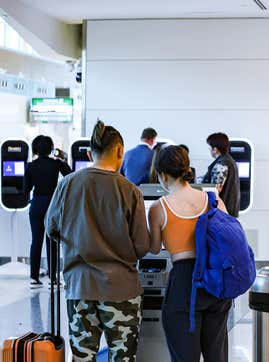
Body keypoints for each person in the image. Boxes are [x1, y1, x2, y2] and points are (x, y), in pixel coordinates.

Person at [46, 121, 151, 361]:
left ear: (88, 153)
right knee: (122, 357)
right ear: (120, 151)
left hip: (80, 287)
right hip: (121, 290)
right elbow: (142, 247)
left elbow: (51, 229)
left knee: (83, 357)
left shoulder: (67, 184)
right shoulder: (130, 191)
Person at [147, 145, 230, 362]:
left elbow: (154, 248)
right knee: (217, 355)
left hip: (184, 283)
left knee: (185, 357)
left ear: (162, 175)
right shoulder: (213, 199)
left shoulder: (159, 208)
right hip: (216, 283)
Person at [24, 135, 72, 288]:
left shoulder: (30, 166)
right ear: (51, 148)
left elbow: (26, 189)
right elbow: (70, 176)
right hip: (53, 205)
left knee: (36, 241)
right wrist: (63, 158)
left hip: (36, 204)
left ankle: (34, 278)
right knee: (52, 241)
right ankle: (53, 278)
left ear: (35, 148)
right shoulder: (55, 164)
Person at [201, 133, 240, 217]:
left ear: (215, 149)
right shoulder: (229, 160)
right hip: (228, 211)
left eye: (210, 148)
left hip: (221, 212)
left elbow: (215, 189)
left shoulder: (221, 164)